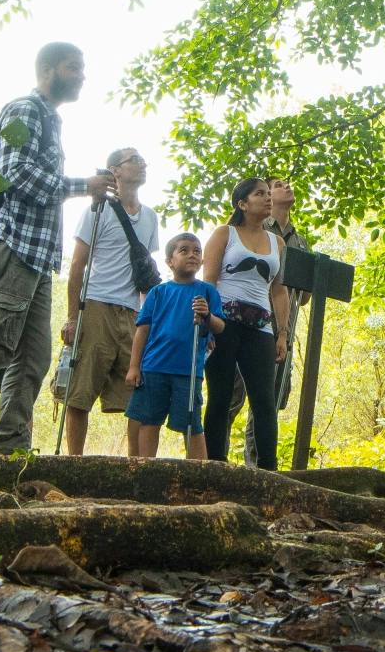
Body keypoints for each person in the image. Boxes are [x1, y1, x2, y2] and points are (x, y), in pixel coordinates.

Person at [0, 42, 114, 457]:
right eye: (73, 68)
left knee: (34, 357)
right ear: (48, 70)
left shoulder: (50, 118)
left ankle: (12, 444)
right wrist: (83, 186)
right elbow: (16, 175)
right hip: (12, 247)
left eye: (82, 68)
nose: (81, 76)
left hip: (38, 258)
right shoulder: (25, 109)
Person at [62, 147, 160, 455]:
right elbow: (78, 264)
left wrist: (148, 319)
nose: (143, 164)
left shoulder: (150, 218)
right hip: (96, 305)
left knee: (134, 394)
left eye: (142, 160)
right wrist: (72, 317)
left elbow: (145, 272)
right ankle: (74, 463)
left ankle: (134, 467)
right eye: (134, 160)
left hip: (132, 312)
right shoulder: (98, 210)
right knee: (81, 391)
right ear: (115, 170)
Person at [202, 178, 290, 467]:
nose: (267, 199)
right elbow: (209, 282)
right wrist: (209, 324)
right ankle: (216, 465)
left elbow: (278, 289)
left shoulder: (277, 242)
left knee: (264, 401)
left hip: (261, 329)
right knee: (220, 396)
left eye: (268, 194)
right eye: (260, 194)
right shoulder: (224, 234)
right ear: (242, 203)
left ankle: (268, 470)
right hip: (224, 324)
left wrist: (282, 333)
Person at [125, 233, 224, 459]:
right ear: (170, 260)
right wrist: (134, 366)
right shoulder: (158, 292)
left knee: (191, 424)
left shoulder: (207, 291)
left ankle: (198, 476)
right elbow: (142, 330)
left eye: (197, 251)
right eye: (184, 250)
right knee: (149, 420)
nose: (192, 255)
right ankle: (146, 470)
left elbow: (219, 327)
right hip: (154, 367)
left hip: (188, 371)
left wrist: (206, 315)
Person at [237, 176, 308, 468]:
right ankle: (215, 468)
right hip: (245, 327)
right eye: (277, 185)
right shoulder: (252, 230)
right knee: (231, 398)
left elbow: (303, 297)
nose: (286, 188)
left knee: (268, 403)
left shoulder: (300, 241)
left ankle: (257, 470)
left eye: (287, 184)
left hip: (281, 332)